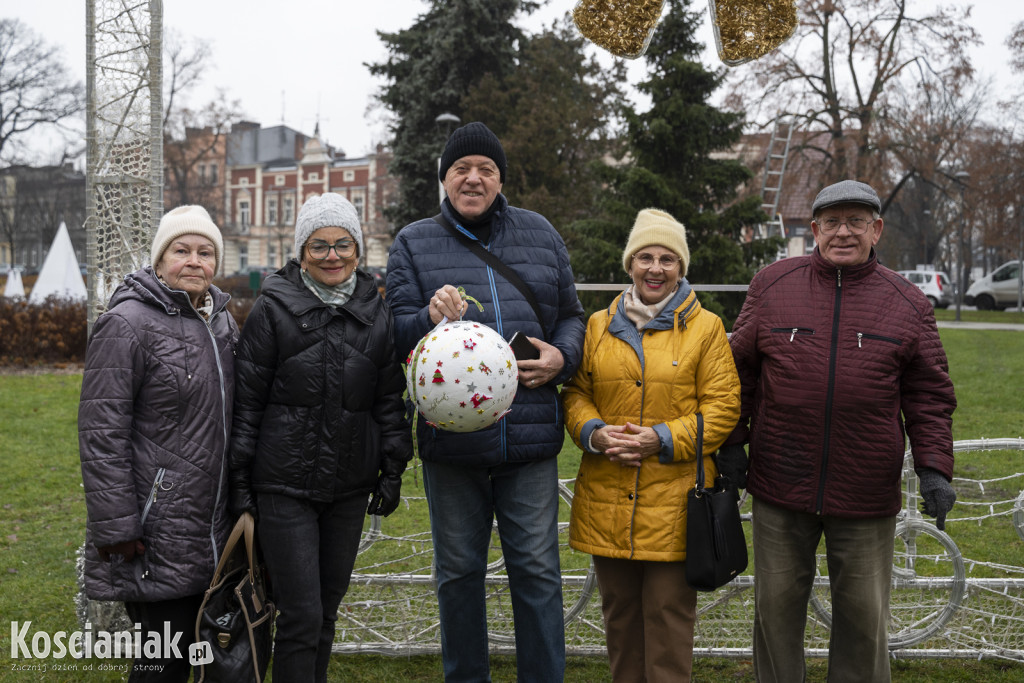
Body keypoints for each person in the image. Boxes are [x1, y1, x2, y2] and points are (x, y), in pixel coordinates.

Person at [717, 180, 958, 682]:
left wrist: (934, 466)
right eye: (832, 222)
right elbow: (737, 374)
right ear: (814, 230)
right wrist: (732, 444)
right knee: (776, 614)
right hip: (781, 480)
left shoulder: (909, 302)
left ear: (877, 230)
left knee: (864, 620)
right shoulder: (771, 285)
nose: (843, 232)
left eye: (855, 221)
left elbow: (929, 395)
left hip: (866, 488)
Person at [386, 121, 586, 682]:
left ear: (500, 178)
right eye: (461, 170)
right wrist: (426, 316)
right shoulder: (413, 242)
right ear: (445, 178)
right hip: (452, 443)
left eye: (486, 170)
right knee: (457, 574)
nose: (473, 179)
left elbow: (570, 316)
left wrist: (561, 359)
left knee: (539, 572)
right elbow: (393, 333)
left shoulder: (540, 234)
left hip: (527, 439)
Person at [228, 192, 412, 682]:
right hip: (284, 485)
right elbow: (248, 401)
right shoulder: (272, 310)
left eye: (343, 244)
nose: (333, 256)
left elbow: (389, 399)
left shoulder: (376, 313)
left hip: (349, 486)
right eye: (319, 246)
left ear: (358, 250)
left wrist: (393, 467)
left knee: (327, 612)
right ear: (300, 252)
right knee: (301, 615)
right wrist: (241, 479)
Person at [561, 208, 741, 682]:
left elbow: (722, 408)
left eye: (667, 259)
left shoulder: (707, 329)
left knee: (667, 620)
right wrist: (593, 433)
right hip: (608, 495)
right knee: (619, 619)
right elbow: (576, 393)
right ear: (630, 264)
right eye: (645, 257)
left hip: (677, 501)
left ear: (681, 268)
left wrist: (660, 439)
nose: (655, 269)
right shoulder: (598, 326)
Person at [78, 205, 237, 681]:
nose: (194, 261)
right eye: (181, 250)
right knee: (160, 663)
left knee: (202, 658)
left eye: (205, 252)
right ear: (159, 258)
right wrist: (117, 526)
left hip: (213, 525)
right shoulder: (126, 323)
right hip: (154, 529)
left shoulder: (223, 323)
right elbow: (101, 431)